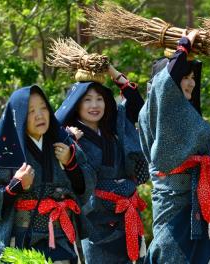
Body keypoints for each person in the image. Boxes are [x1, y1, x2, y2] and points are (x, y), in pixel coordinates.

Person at [138, 29, 210, 264]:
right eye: (185, 76)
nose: (191, 82)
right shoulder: (157, 109)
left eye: (193, 76)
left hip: (199, 201)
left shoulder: (183, 111)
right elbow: (165, 85)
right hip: (175, 202)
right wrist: (182, 47)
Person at [0, 85, 93, 263]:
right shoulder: (6, 152)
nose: (40, 115)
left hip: (60, 238)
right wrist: (15, 186)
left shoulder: (63, 144)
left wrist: (71, 164)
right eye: (31, 111)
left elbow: (85, 188)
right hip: (23, 241)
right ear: (19, 116)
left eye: (43, 108)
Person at [55, 63, 149, 264]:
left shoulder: (113, 128)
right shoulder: (68, 136)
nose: (94, 105)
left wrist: (113, 73)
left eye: (99, 99)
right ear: (76, 104)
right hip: (94, 224)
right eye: (87, 100)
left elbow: (137, 107)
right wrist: (68, 138)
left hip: (126, 217)